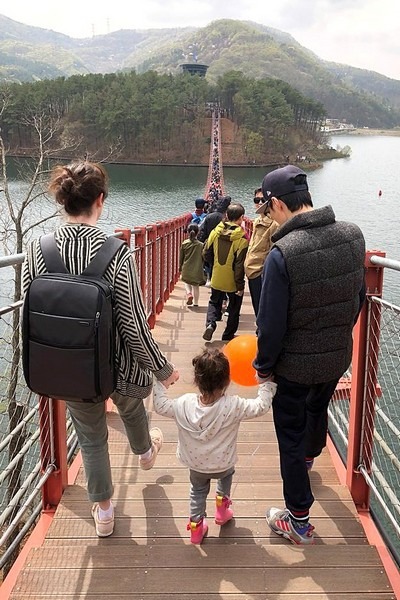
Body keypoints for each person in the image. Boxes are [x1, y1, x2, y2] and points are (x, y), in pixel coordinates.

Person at [22, 161, 179, 538]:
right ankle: (145, 453)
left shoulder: (37, 249)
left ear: (63, 201)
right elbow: (133, 324)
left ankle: (104, 513)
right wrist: (162, 369)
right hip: (122, 368)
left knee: (91, 438)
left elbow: (31, 313)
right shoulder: (117, 253)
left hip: (73, 370)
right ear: (101, 201)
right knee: (132, 408)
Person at [253, 165, 366, 545]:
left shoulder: (282, 253)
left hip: (294, 367)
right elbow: (359, 299)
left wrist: (264, 368)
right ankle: (309, 458)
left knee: (289, 433)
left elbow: (271, 326)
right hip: (336, 358)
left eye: (267, 209)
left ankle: (298, 520)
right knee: (318, 412)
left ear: (277, 204)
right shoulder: (353, 235)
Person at [153, 347, 277, 544]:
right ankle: (222, 510)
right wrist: (266, 383)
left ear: (197, 380)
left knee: (197, 492)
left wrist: (161, 382)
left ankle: (196, 528)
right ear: (228, 380)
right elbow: (260, 406)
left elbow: (160, 405)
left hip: (196, 465)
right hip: (223, 464)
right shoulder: (234, 405)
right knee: (226, 478)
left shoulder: (183, 404)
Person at [202, 203, 249, 342]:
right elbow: (240, 264)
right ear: (242, 218)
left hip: (217, 275)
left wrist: (214, 265)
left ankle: (211, 323)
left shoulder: (215, 232)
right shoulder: (242, 238)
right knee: (234, 307)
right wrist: (240, 285)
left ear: (226, 216)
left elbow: (206, 252)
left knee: (214, 301)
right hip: (232, 280)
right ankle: (228, 335)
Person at [244, 187, 279, 316]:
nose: (259, 202)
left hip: (261, 273)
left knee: (263, 313)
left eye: (262, 200)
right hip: (252, 272)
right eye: (256, 199)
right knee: (258, 311)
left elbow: (274, 251)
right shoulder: (258, 221)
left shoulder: (274, 224)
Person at [179, 223, 206, 306]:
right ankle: (196, 303)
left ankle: (189, 293)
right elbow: (204, 257)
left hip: (186, 267)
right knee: (196, 286)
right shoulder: (201, 245)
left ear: (188, 232)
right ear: (198, 232)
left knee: (186, 281)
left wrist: (180, 267)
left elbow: (181, 258)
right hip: (197, 268)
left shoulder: (184, 243)